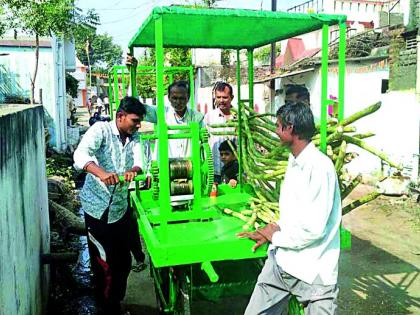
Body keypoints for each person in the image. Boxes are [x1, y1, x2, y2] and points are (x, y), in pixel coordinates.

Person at [238, 102, 342, 315]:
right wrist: (272, 229)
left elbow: (314, 229)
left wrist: (276, 237)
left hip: (313, 269)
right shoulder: (295, 162)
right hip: (283, 263)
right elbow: (294, 212)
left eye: (278, 126)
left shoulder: (319, 168)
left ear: (290, 128)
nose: (276, 132)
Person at [73, 96, 147, 315]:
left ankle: (116, 300)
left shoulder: (135, 138)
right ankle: (106, 307)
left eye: (139, 121)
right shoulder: (101, 130)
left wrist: (135, 170)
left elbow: (142, 161)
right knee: (104, 264)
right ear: (120, 116)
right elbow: (80, 155)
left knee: (123, 262)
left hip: (120, 209)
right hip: (97, 210)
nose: (138, 125)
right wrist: (101, 173)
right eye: (134, 120)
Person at [204, 82, 237, 183]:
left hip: (235, 173)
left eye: (225, 97)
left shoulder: (239, 117)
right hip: (214, 172)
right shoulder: (209, 117)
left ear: (232, 97)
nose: (221, 101)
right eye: (218, 97)